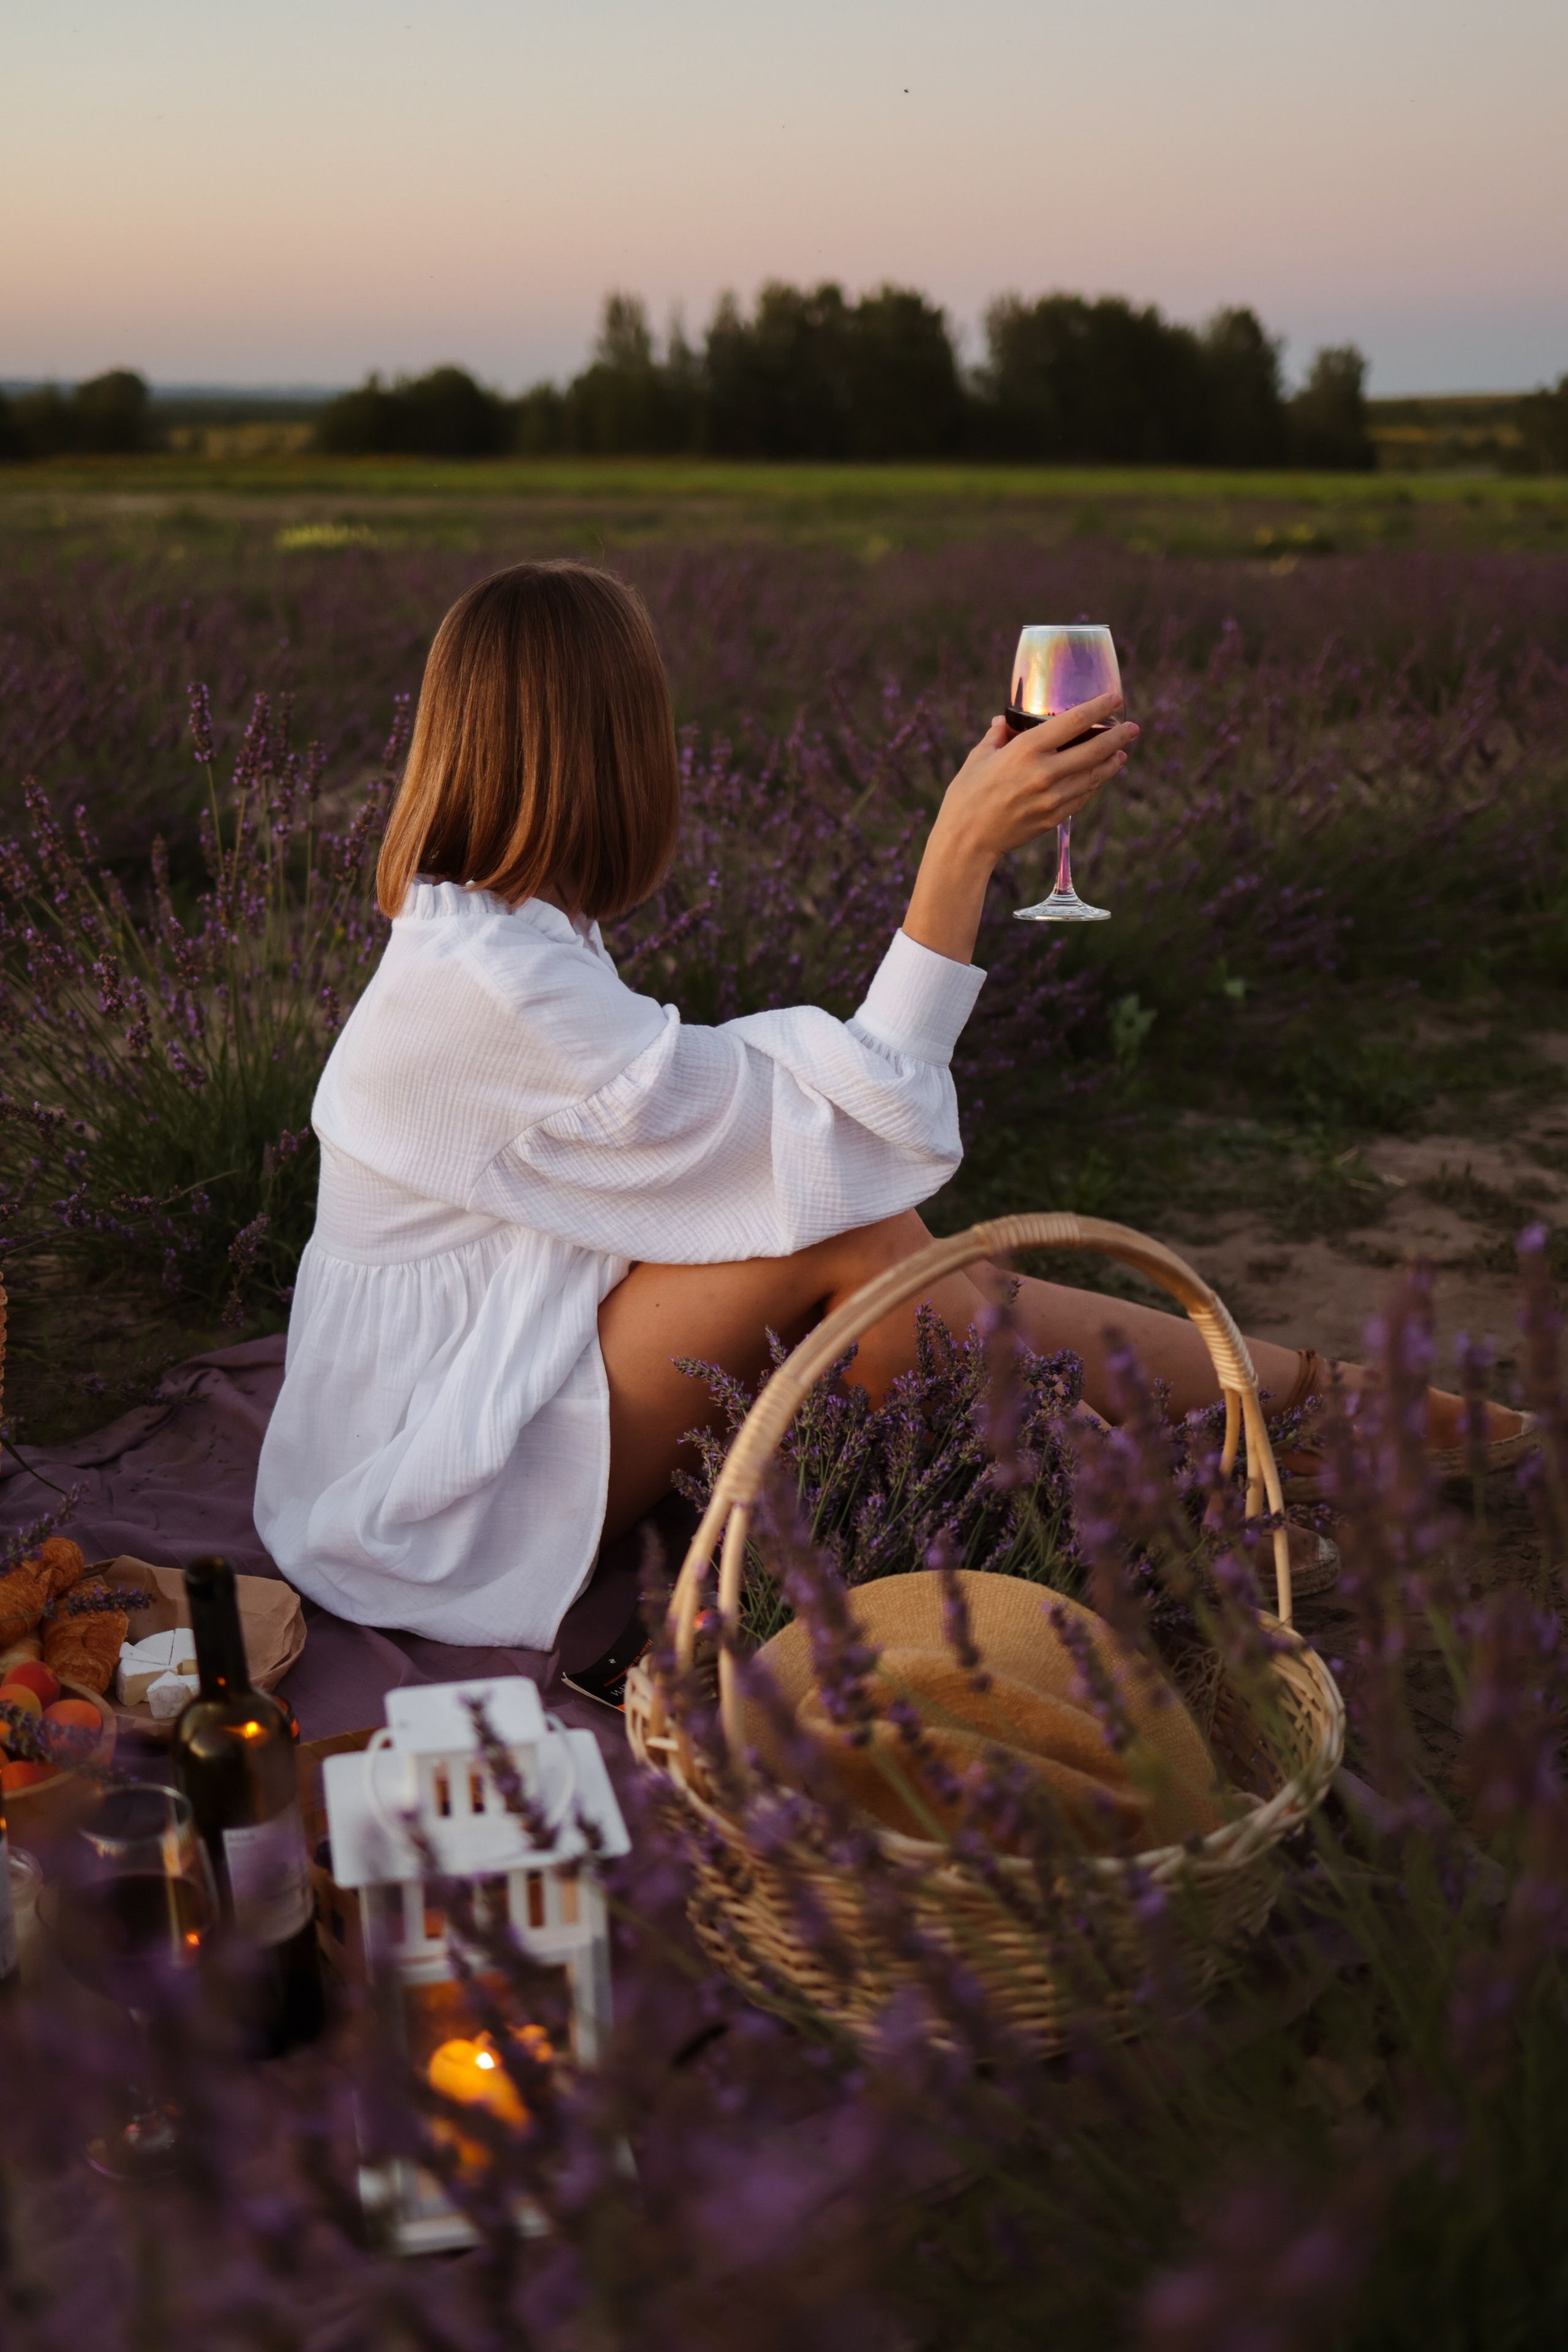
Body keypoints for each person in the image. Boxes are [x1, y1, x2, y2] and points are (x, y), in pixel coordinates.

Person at [254, 562, 1531, 1653]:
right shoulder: (495, 989)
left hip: (491, 1380)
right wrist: (959, 855)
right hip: (423, 1497)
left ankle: (1320, 1416)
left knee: (915, 1267)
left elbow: (753, 1123)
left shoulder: (493, 935)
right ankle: (1185, 1525)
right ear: (614, 749)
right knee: (854, 1242)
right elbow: (842, 1148)